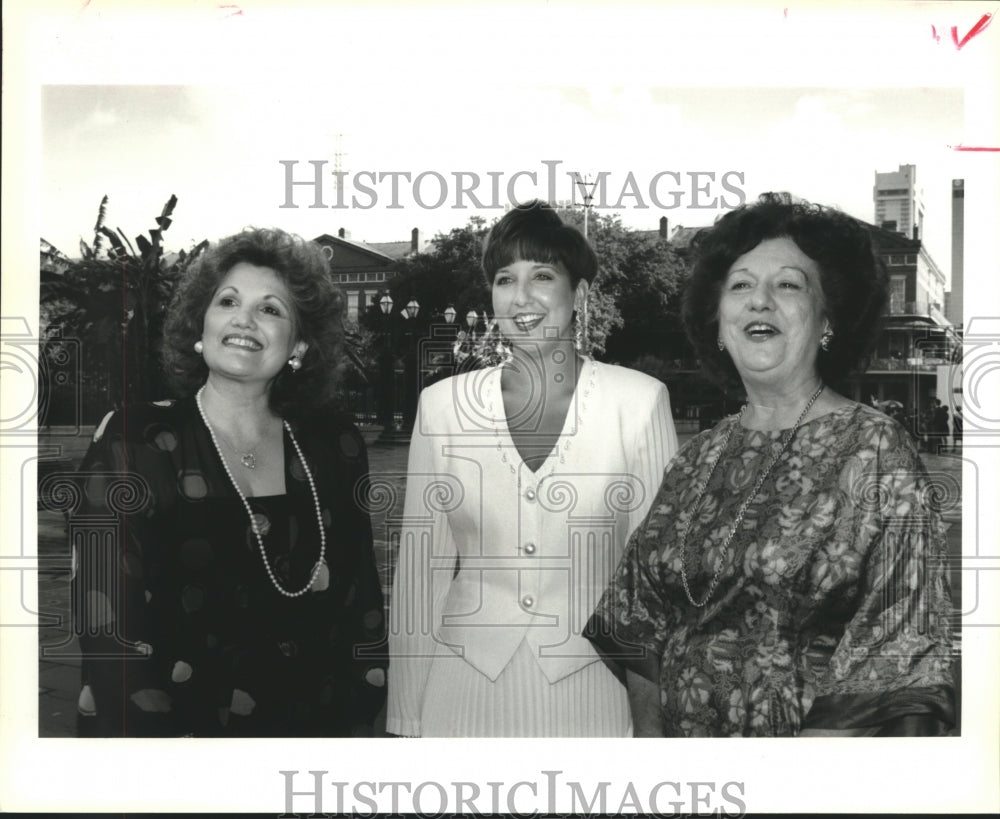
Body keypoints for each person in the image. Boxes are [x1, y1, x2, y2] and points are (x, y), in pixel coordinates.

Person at [586, 193, 956, 737]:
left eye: (787, 285)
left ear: (828, 318)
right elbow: (637, 623)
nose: (759, 301)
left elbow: (899, 649)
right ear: (717, 322)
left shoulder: (876, 451)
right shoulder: (695, 458)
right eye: (739, 285)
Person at [71, 227, 387, 737]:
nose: (244, 318)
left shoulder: (335, 445)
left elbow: (361, 608)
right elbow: (107, 629)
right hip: (174, 748)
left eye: (271, 309)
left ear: (299, 344)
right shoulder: (134, 441)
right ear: (202, 324)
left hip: (311, 737)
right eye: (228, 301)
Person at [387, 201, 679, 736]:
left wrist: (654, 729)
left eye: (542, 276)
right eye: (505, 279)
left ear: (580, 295)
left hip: (598, 692)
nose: (521, 297)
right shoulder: (441, 405)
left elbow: (657, 587)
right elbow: (419, 576)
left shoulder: (639, 402)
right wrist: (406, 717)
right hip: (462, 692)